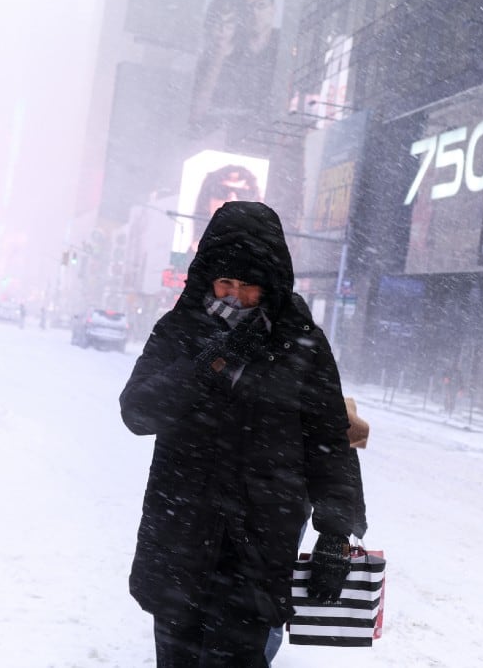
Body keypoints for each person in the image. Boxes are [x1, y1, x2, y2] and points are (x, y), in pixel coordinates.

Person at [120, 200, 365, 667]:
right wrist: (217, 358)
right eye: (224, 282)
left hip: (257, 547)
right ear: (205, 278)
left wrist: (335, 531)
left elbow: (330, 444)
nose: (234, 296)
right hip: (180, 538)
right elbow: (138, 412)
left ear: (270, 286)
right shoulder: (179, 331)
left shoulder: (302, 344)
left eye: (248, 286)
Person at [264, 395, 369, 664]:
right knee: (266, 586)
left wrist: (337, 537)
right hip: (271, 493)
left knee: (267, 586)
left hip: (282, 498)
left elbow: (341, 448)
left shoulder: (309, 372)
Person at [186, 163, 262, 254]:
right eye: (222, 191)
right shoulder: (191, 251)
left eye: (242, 193)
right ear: (206, 202)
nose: (232, 199)